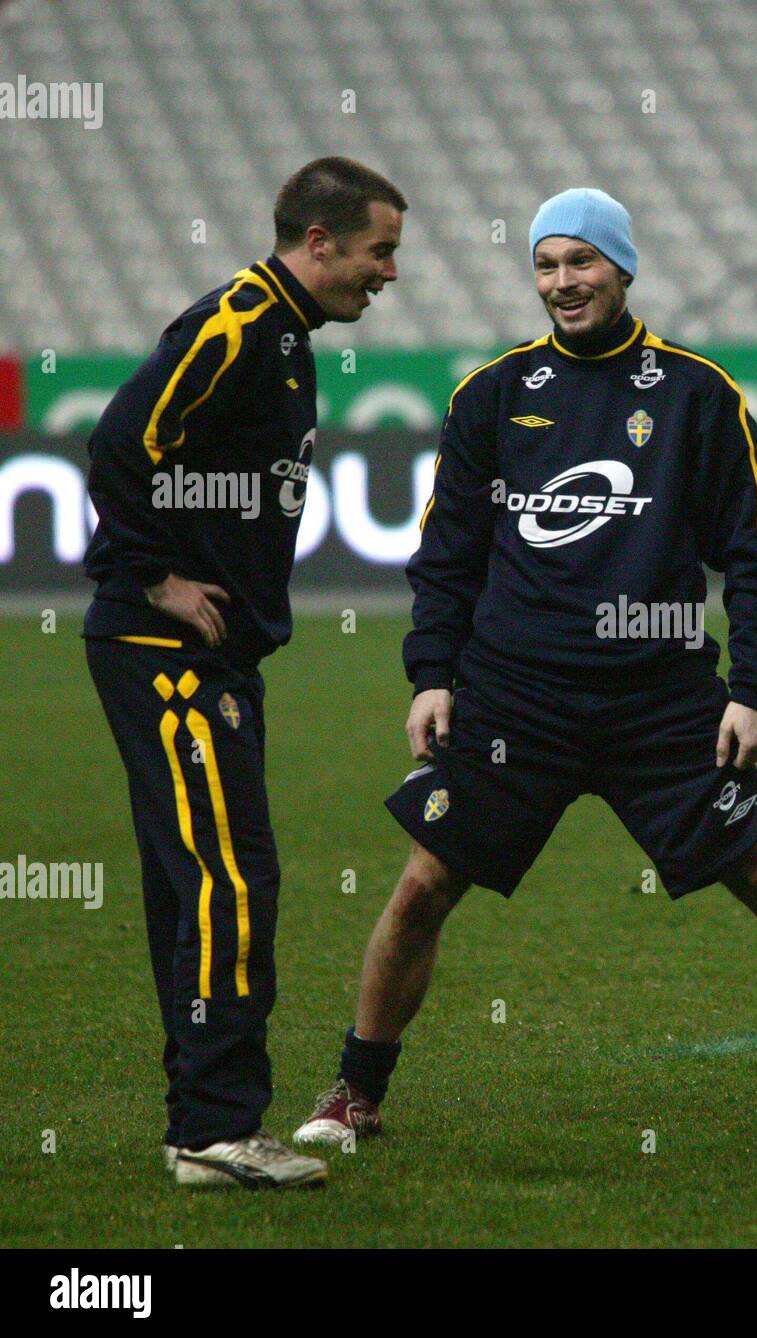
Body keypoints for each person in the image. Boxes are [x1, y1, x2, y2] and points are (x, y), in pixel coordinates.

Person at [294, 189, 757, 1168]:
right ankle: (356, 1091)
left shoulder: (696, 394)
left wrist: (756, 688)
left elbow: (754, 555)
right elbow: (445, 556)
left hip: (661, 698)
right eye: (547, 264)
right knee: (420, 888)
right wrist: (431, 675)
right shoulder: (489, 395)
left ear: (621, 267)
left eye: (582, 262)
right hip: (512, 696)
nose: (563, 281)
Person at [84, 157, 406, 1188]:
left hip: (209, 656)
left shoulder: (282, 335)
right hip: (170, 656)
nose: (388, 272)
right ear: (319, 242)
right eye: (377, 250)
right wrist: (152, 580)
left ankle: (200, 1116)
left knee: (193, 883)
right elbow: (118, 442)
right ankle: (218, 1130)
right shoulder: (233, 324)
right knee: (229, 878)